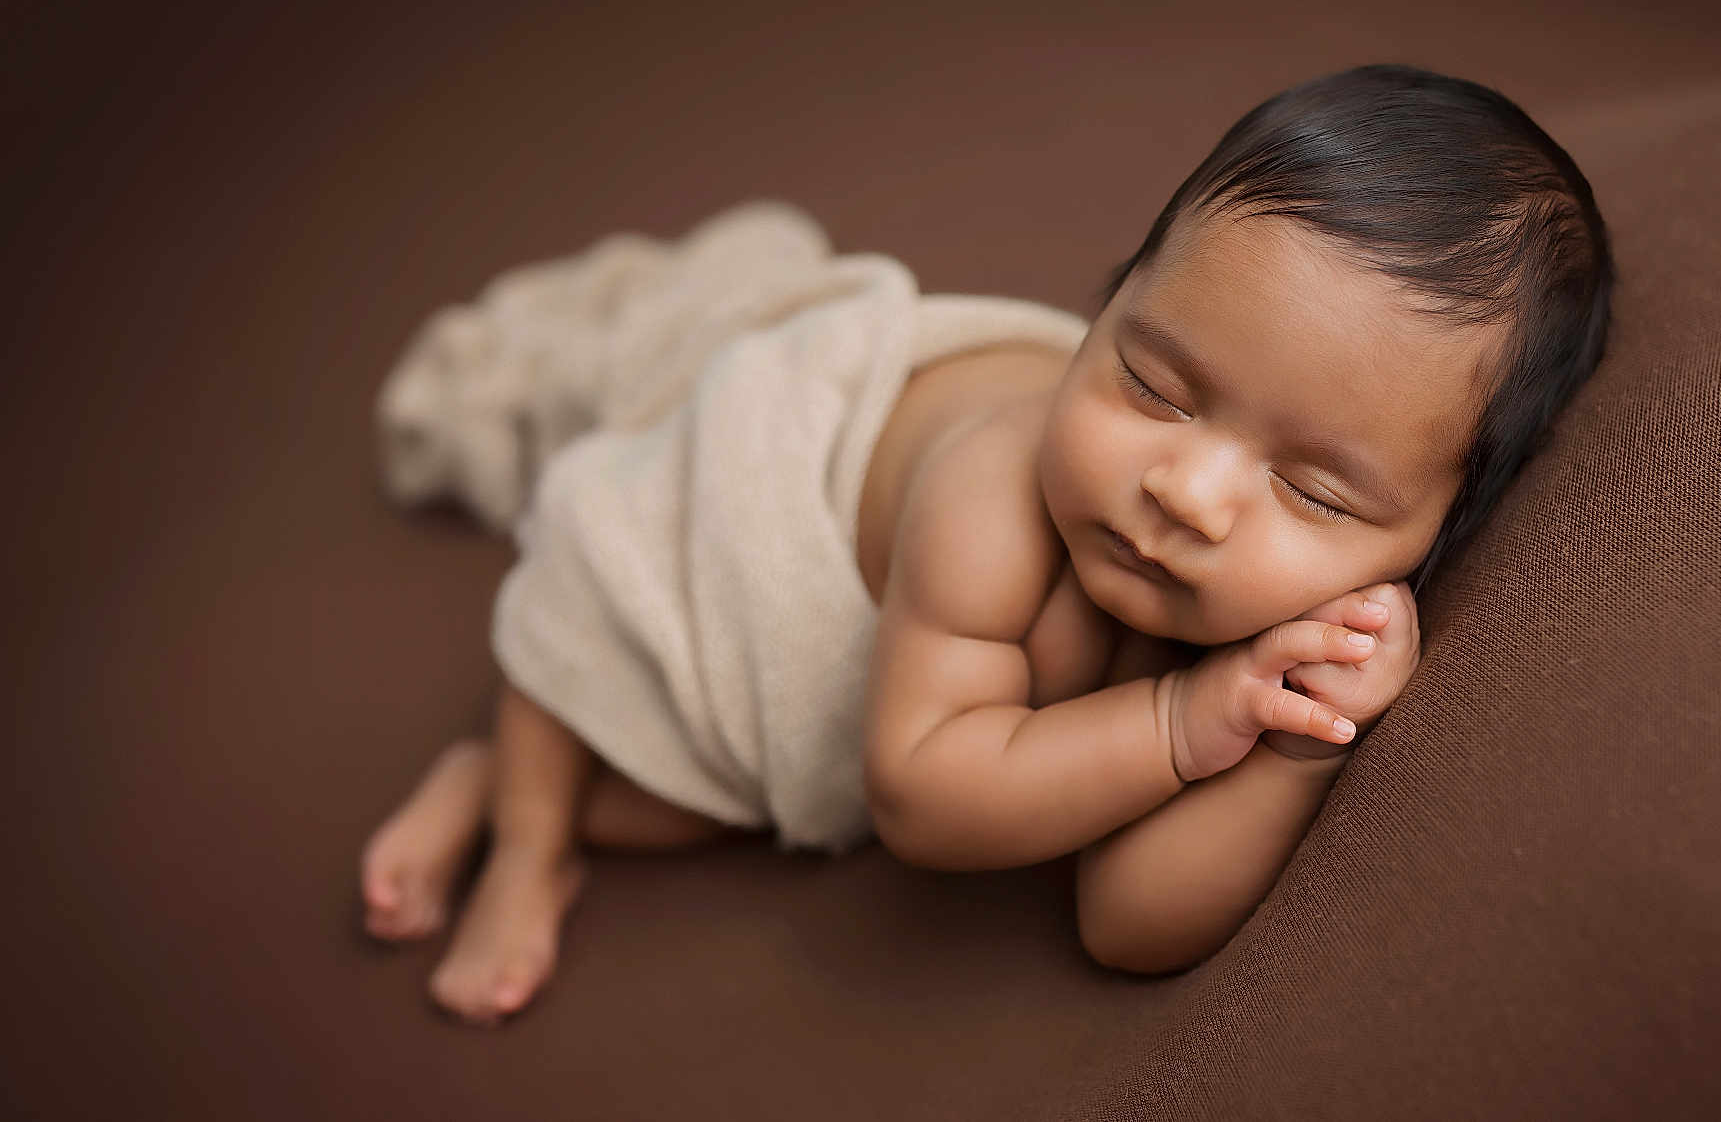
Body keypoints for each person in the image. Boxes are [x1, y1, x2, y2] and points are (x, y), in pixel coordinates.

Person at [359, 63, 1614, 1023]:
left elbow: (1126, 923)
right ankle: (525, 836)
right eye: (1157, 387)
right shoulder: (996, 492)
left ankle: (503, 783)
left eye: (1317, 493)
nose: (1186, 491)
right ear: (1113, 296)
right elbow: (918, 789)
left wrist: (1287, 742)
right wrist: (1180, 727)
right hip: (776, 488)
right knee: (605, 640)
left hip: (922, 672)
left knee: (702, 798)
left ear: (1433, 533)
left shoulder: (1245, 602)